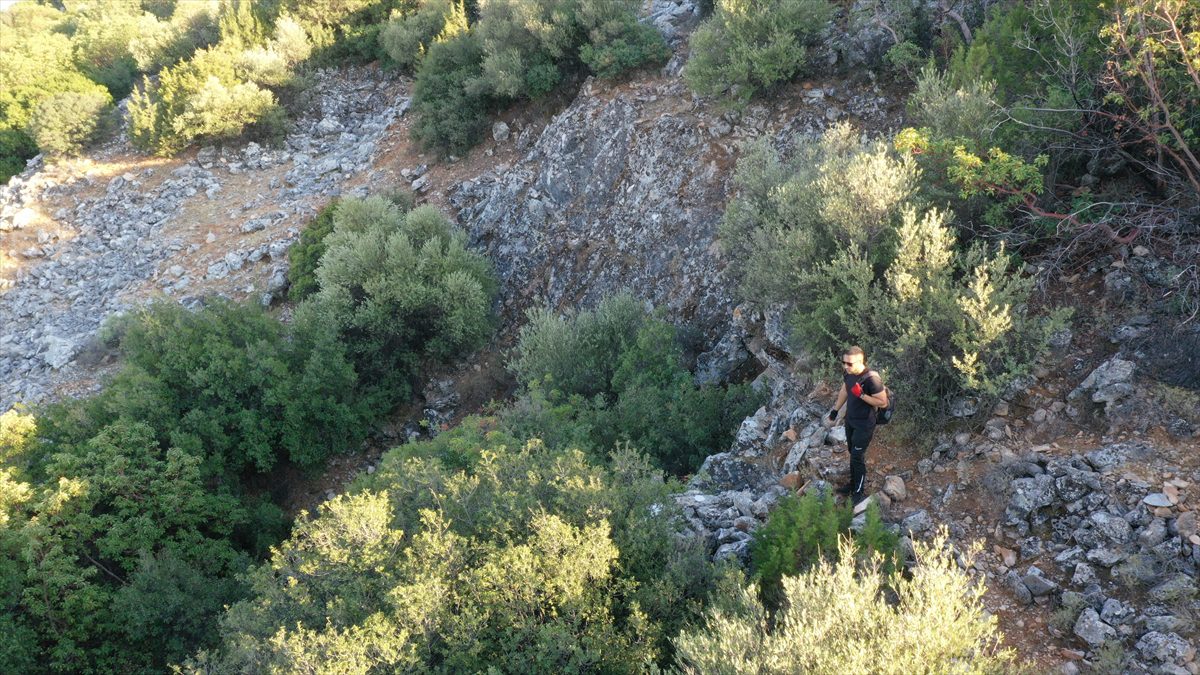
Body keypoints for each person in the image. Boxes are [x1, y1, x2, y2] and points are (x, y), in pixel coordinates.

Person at [822, 346, 888, 507]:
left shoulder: (872, 379)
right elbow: (845, 389)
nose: (845, 366)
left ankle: (858, 492)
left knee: (857, 457)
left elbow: (882, 401)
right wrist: (835, 411)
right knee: (852, 452)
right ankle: (853, 484)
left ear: (860, 361)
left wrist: (862, 395)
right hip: (850, 420)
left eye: (849, 364)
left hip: (865, 424)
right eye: (843, 362)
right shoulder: (848, 373)